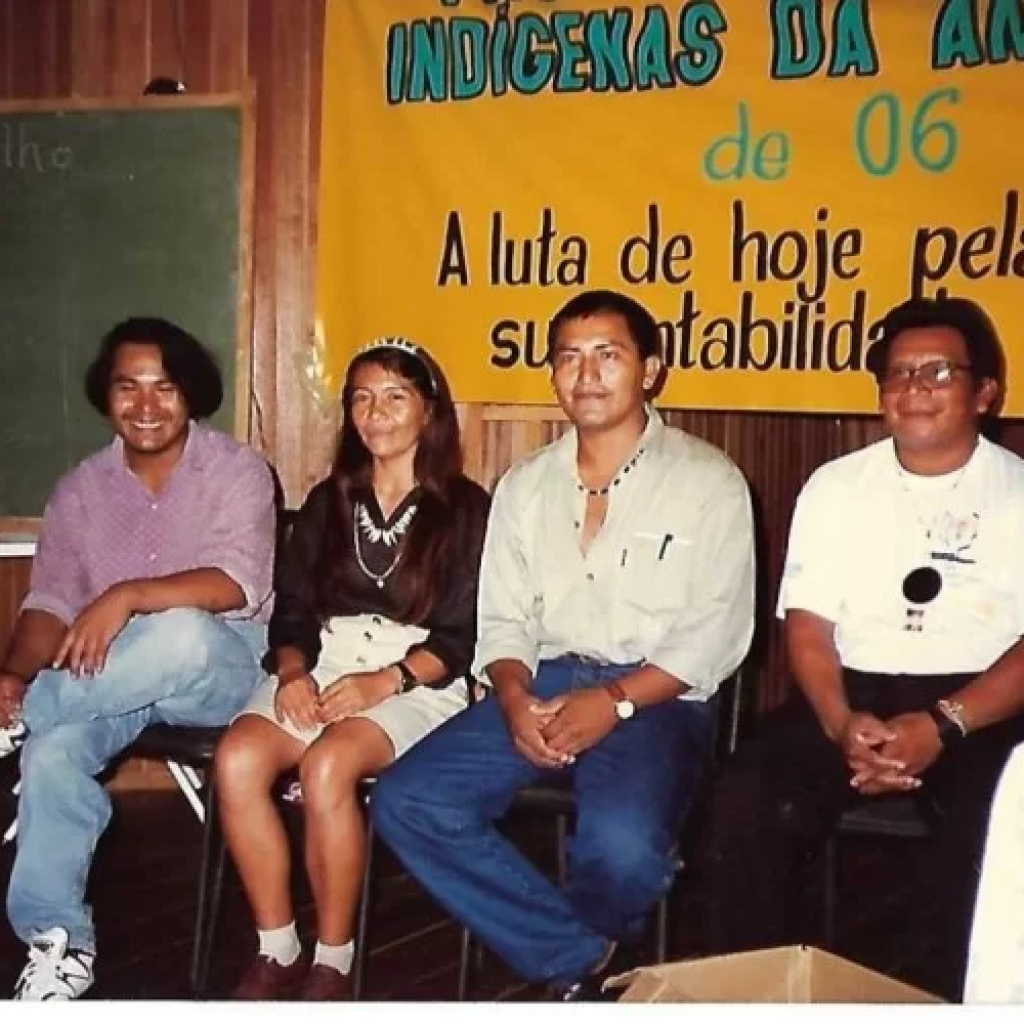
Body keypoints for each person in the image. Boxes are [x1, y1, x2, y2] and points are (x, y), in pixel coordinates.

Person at [370, 289, 756, 999]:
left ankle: (573, 966)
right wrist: (513, 696)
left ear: (651, 370)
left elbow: (715, 634)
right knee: (406, 800)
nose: (587, 375)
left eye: (608, 355)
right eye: (570, 358)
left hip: (657, 696)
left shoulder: (709, 481)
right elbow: (503, 619)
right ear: (552, 374)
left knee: (623, 850)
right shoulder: (525, 485)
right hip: (542, 683)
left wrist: (613, 702)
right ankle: (581, 956)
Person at [699, 296, 1024, 1001]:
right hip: (854, 692)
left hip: (984, 704)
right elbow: (808, 628)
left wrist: (942, 725)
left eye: (938, 372)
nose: (914, 388)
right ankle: (749, 1000)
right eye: (898, 373)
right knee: (748, 796)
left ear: (985, 393)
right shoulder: (837, 486)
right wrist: (841, 722)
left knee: (996, 823)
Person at [0, 317, 275, 1000]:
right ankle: (59, 942)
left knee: (180, 632)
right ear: (106, 394)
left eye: (165, 387)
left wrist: (126, 596)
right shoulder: (79, 490)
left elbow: (237, 585)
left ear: (191, 393)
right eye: (129, 387)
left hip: (220, 666)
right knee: (52, 753)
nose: (147, 404)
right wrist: (12, 675)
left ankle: (27, 715)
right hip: (110, 679)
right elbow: (50, 604)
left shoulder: (237, 470)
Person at [215, 338, 491, 1001]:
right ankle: (278, 946)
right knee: (237, 758)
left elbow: (462, 635)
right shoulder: (329, 501)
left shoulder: (467, 509)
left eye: (395, 396)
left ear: (429, 410)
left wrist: (384, 682)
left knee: (328, 765)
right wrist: (293, 675)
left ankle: (332, 961)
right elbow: (293, 611)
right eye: (362, 398)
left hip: (418, 676)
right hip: (326, 660)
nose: (376, 412)